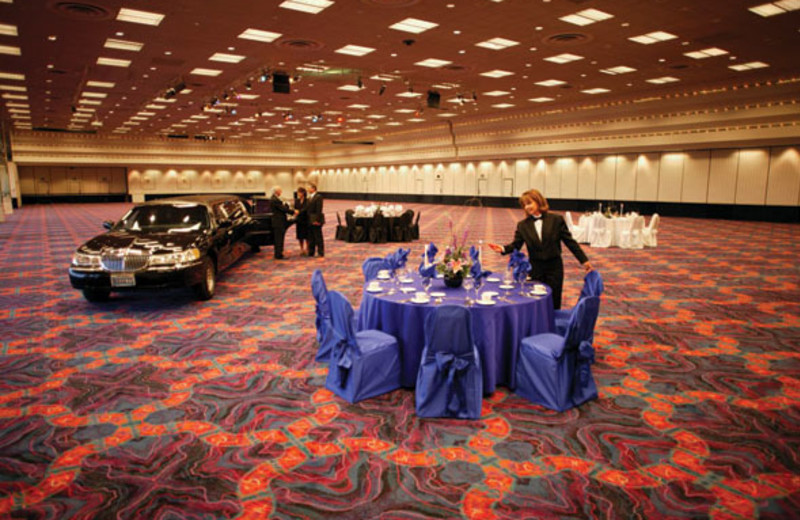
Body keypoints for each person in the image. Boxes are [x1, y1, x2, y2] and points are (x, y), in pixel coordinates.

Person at [489, 189, 593, 309]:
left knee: (554, 300)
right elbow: (516, 245)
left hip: (554, 267)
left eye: (529, 203)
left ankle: (553, 325)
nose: (527, 207)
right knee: (535, 300)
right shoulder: (523, 225)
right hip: (535, 268)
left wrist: (584, 260)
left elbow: (570, 242)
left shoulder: (556, 220)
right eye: (524, 205)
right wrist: (502, 248)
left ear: (538, 201)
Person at [270, 186, 296, 260]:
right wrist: (293, 212)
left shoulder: (274, 198)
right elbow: (282, 209)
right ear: (276, 191)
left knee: (279, 238)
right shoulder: (275, 199)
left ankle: (279, 253)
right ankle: (278, 254)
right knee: (279, 239)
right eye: (280, 191)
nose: (281, 192)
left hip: (278, 221)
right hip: (278, 222)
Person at [307, 183, 325, 258]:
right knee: (311, 237)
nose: (308, 189)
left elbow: (319, 209)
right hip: (310, 219)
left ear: (313, 189)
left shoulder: (318, 197)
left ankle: (320, 252)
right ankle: (311, 252)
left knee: (318, 237)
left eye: (309, 188)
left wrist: (317, 220)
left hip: (316, 219)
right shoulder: (309, 197)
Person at [294, 186, 310, 256]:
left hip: (306, 220)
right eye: (298, 192)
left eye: (299, 192)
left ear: (303, 193)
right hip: (299, 220)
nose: (298, 194)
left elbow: (306, 208)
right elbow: (295, 208)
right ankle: (301, 249)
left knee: (306, 236)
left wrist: (299, 212)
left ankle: (307, 249)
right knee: (300, 236)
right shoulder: (296, 200)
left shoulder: (307, 200)